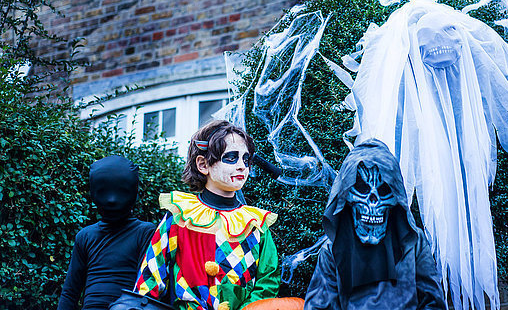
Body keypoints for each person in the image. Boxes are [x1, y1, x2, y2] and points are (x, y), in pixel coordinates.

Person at [134, 120, 280, 310]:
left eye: (246, 159)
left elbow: (268, 283)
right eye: (231, 158)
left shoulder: (255, 224)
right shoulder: (180, 217)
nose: (242, 166)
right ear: (203, 164)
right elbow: (150, 278)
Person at [304, 139, 446, 310]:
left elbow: (433, 303)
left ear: (396, 196)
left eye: (384, 190)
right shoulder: (333, 249)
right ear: (347, 197)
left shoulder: (413, 243)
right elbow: (319, 307)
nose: (373, 201)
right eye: (362, 188)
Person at [57, 155, 156, 310]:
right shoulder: (85, 236)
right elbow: (70, 292)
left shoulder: (145, 233)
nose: (111, 200)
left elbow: (149, 286)